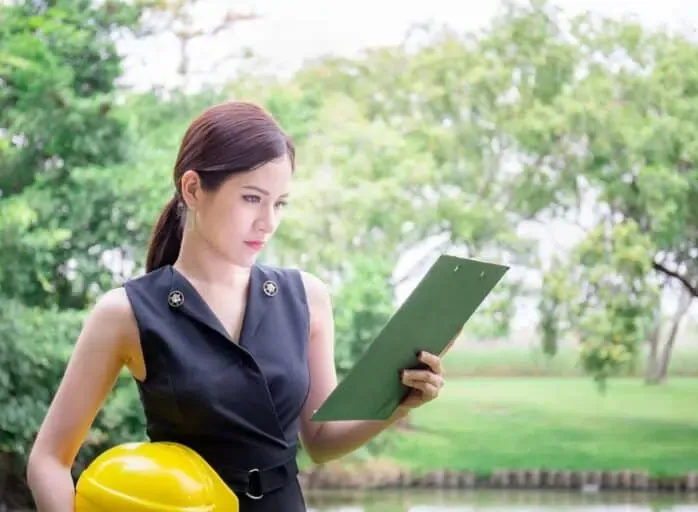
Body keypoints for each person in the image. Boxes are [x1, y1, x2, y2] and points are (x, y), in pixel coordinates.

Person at [26, 100, 453, 511]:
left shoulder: (307, 297)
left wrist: (399, 404)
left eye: (279, 203)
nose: (268, 222)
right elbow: (48, 459)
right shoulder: (125, 313)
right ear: (193, 188)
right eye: (252, 198)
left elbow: (321, 440)